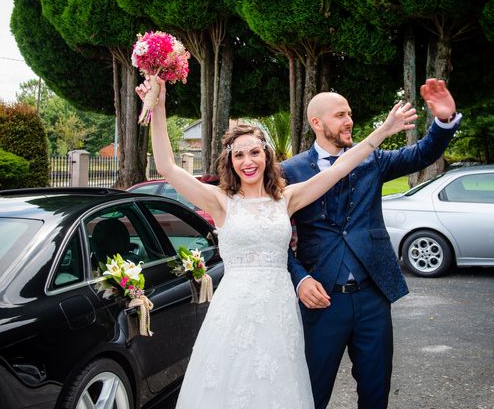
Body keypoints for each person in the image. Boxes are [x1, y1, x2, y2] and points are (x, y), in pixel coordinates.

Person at [135, 74, 417, 408]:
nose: (248, 161)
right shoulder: (220, 201)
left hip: (279, 309)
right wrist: (159, 106)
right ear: (230, 161)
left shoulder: (288, 198)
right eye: (239, 155)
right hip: (234, 310)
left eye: (255, 152)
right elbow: (167, 166)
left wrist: (382, 131)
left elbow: (339, 168)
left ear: (267, 156)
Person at [279, 78, 460, 409]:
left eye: (349, 113)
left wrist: (444, 122)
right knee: (311, 392)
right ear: (317, 123)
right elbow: (276, 239)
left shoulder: (371, 160)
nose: (349, 121)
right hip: (321, 299)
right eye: (340, 115)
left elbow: (421, 153)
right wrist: (300, 278)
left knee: (376, 392)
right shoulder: (289, 171)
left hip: (372, 297)